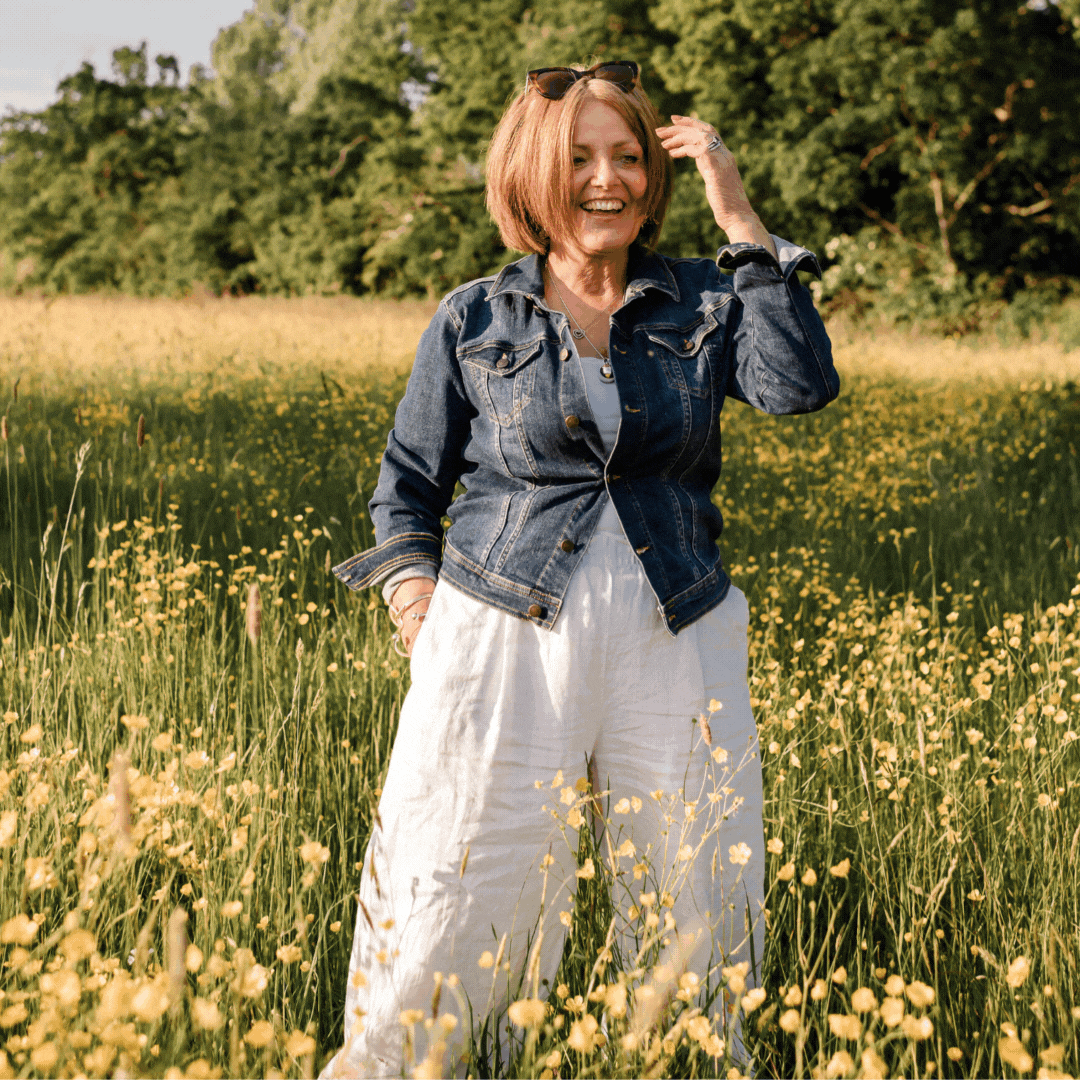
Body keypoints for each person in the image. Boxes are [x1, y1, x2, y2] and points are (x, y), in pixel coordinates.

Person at [322, 60, 838, 1078]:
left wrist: (743, 225)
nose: (611, 180)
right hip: (499, 628)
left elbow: (798, 386)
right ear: (532, 175)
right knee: (459, 879)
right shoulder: (475, 317)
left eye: (631, 157)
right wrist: (422, 613)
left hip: (675, 629)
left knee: (699, 891)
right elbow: (406, 487)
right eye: (581, 159)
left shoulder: (704, 292)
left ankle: (682, 1064)